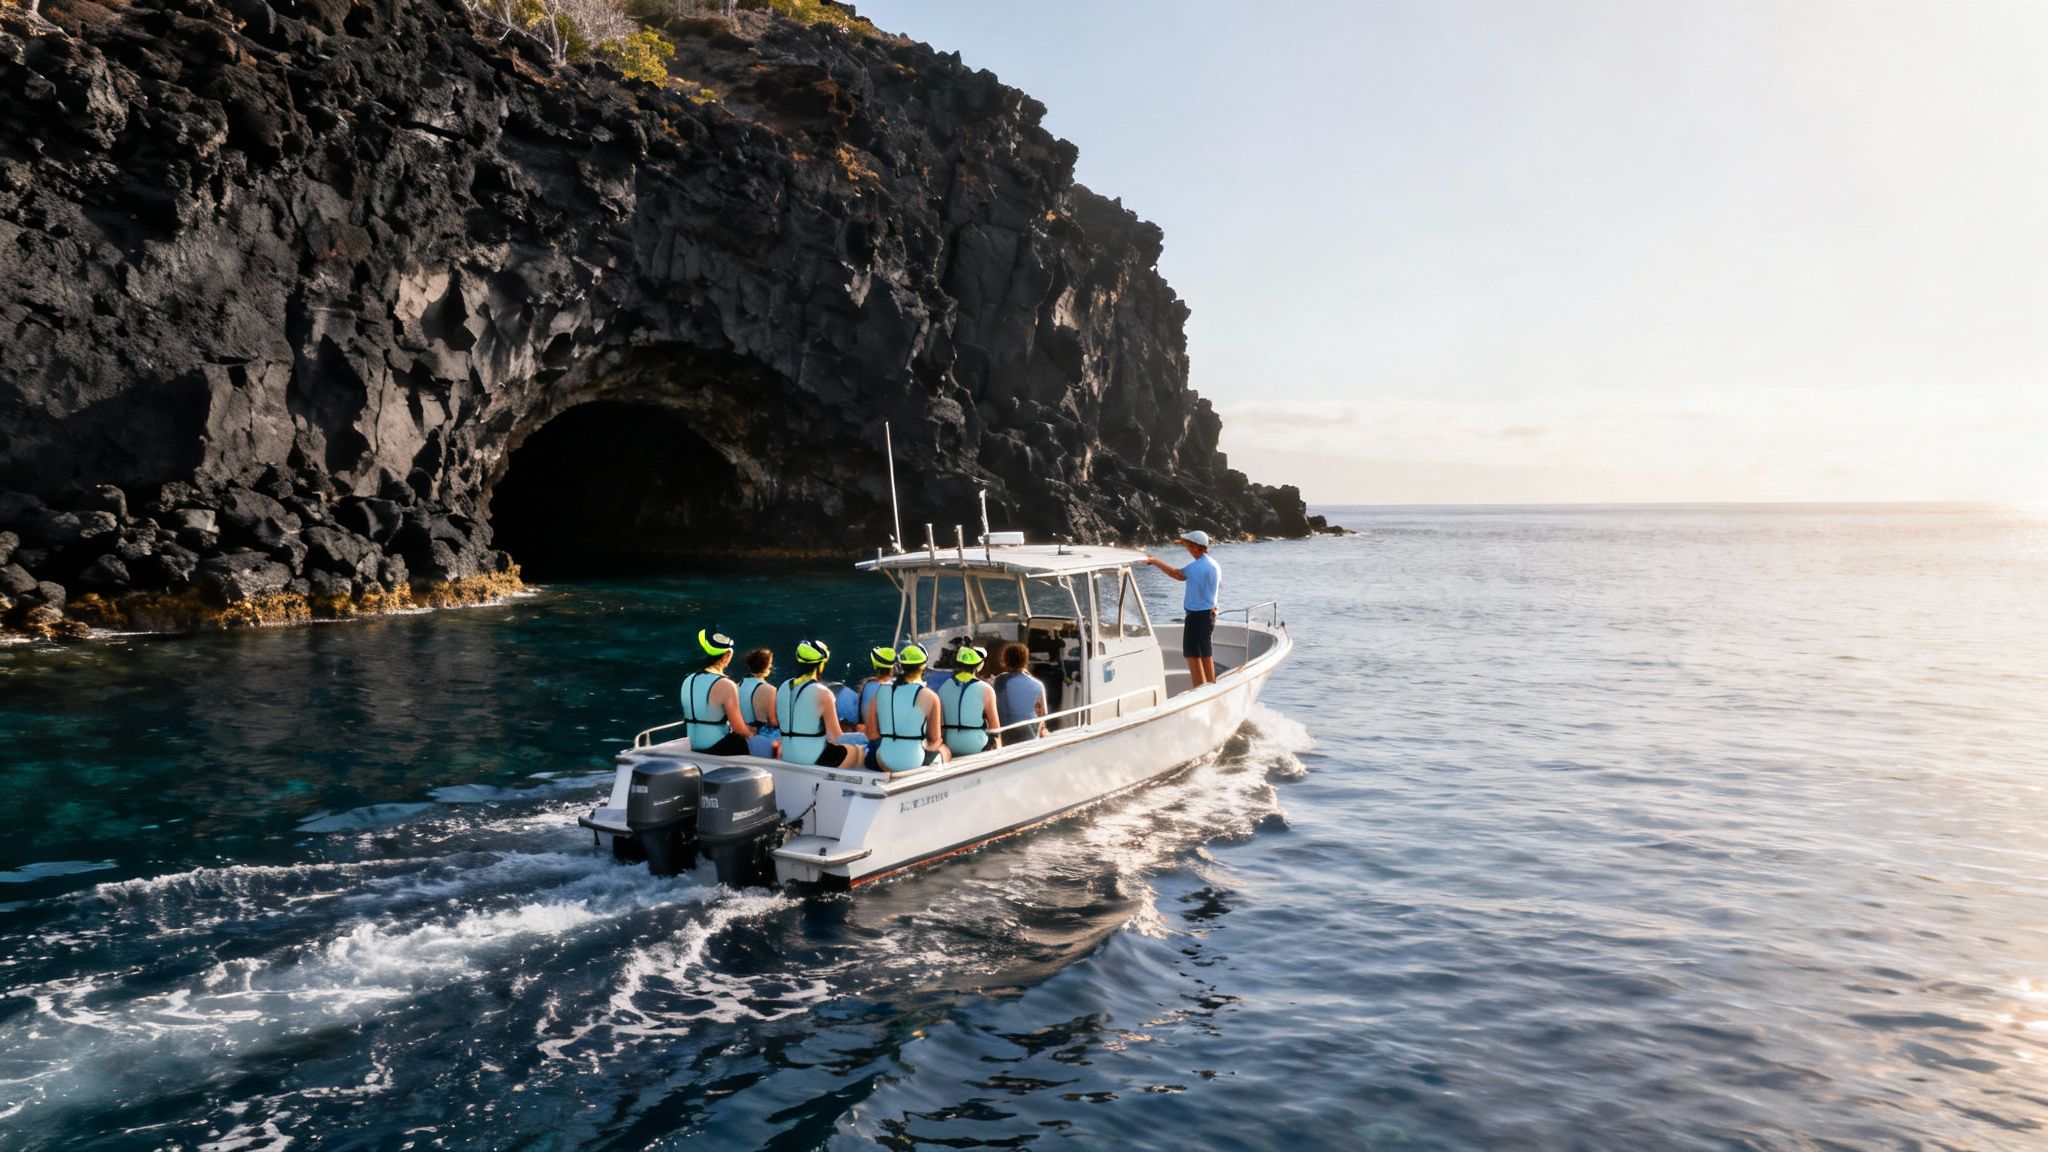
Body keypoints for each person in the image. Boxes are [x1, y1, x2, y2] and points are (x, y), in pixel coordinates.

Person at [1144, 529, 1221, 688]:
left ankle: (1199, 689)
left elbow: (1177, 574)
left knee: (1193, 655)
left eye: (1189, 546)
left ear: (1197, 547)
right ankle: (1210, 687)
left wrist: (1155, 561)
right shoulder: (1213, 564)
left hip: (1197, 617)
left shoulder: (1198, 566)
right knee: (1205, 653)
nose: (1188, 550)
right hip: (1208, 615)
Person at [775, 639, 867, 769]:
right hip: (813, 758)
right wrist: (864, 738)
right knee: (858, 752)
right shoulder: (823, 692)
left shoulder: (783, 687)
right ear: (821, 665)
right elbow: (836, 737)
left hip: (787, 754)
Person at [865, 643, 948, 772]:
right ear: (923, 666)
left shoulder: (881, 691)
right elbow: (934, 741)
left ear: (900, 666)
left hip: (882, 760)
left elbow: (871, 733)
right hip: (913, 762)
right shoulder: (930, 696)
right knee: (944, 750)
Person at [678, 627, 754, 755]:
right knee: (747, 741)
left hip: (694, 745)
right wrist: (751, 732)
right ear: (727, 655)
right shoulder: (726, 684)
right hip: (717, 748)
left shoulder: (688, 680)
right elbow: (738, 728)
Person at [935, 644, 1000, 756]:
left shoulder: (943, 687)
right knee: (996, 739)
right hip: (977, 746)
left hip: (950, 745)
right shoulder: (986, 689)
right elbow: (995, 729)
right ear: (978, 666)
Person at [993, 642, 1048, 742]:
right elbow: (1043, 714)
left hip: (1005, 733)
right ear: (1025, 660)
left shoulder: (998, 681)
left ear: (1005, 660)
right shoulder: (1038, 685)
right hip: (1028, 734)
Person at [738, 648, 780, 758]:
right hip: (758, 736)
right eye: (770, 664)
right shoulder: (769, 689)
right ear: (766, 667)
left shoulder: (737, 685)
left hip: (740, 735)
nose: (771, 666)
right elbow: (773, 721)